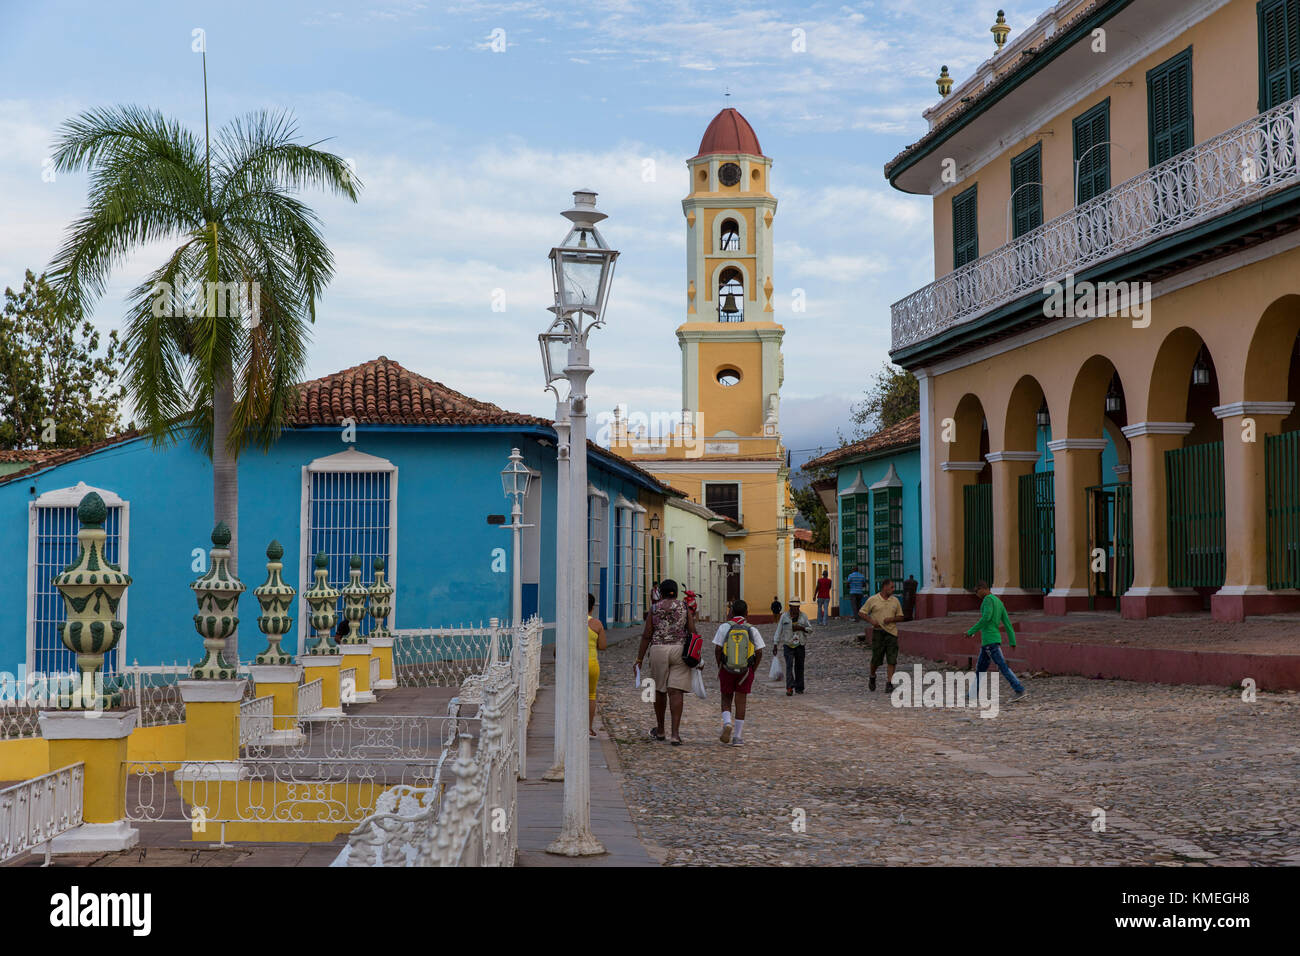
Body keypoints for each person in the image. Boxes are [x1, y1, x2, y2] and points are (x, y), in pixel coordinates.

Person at [634, 578, 696, 745]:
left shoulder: (654, 608)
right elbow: (692, 631)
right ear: (676, 592)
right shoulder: (684, 607)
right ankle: (675, 734)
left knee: (659, 691)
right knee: (676, 692)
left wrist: (639, 658)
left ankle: (661, 730)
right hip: (679, 650)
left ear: (660, 592)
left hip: (658, 650)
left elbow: (647, 634)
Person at [714, 599, 765, 746]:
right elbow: (759, 651)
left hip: (726, 668)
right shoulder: (751, 629)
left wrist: (720, 666)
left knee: (726, 698)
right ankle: (737, 737)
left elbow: (717, 649)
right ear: (747, 613)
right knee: (741, 702)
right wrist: (752, 670)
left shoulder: (724, 627)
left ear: (731, 612)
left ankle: (727, 722)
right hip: (745, 671)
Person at [967, 581, 1027, 702]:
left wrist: (971, 631)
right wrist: (1012, 640)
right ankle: (972, 693)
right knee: (980, 669)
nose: (976, 594)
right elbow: (1007, 623)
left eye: (976, 591)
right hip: (990, 642)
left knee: (1002, 666)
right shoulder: (999, 602)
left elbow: (986, 618)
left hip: (990, 641)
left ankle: (1019, 689)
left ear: (983, 589)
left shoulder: (988, 600)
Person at [860, 579, 905, 692]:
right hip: (878, 632)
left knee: (892, 659)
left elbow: (901, 617)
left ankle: (889, 682)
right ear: (884, 587)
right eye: (891, 587)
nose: (893, 589)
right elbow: (862, 612)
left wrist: (892, 619)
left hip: (891, 633)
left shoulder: (895, 601)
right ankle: (872, 675)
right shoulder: (873, 599)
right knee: (876, 659)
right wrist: (871, 621)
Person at [773, 598, 811, 695]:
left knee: (799, 667)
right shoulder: (784, 617)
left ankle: (799, 687)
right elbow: (779, 630)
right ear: (790, 607)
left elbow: (810, 630)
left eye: (797, 607)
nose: (796, 609)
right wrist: (775, 644)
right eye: (794, 607)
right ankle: (789, 687)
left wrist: (802, 628)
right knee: (789, 666)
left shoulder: (803, 616)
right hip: (788, 644)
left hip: (800, 644)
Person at [588, 593, 607, 737]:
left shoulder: (570, 621)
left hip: (574, 665)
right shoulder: (596, 624)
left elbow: (557, 651)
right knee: (591, 696)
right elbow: (602, 646)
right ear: (592, 607)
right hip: (592, 663)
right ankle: (588, 727)